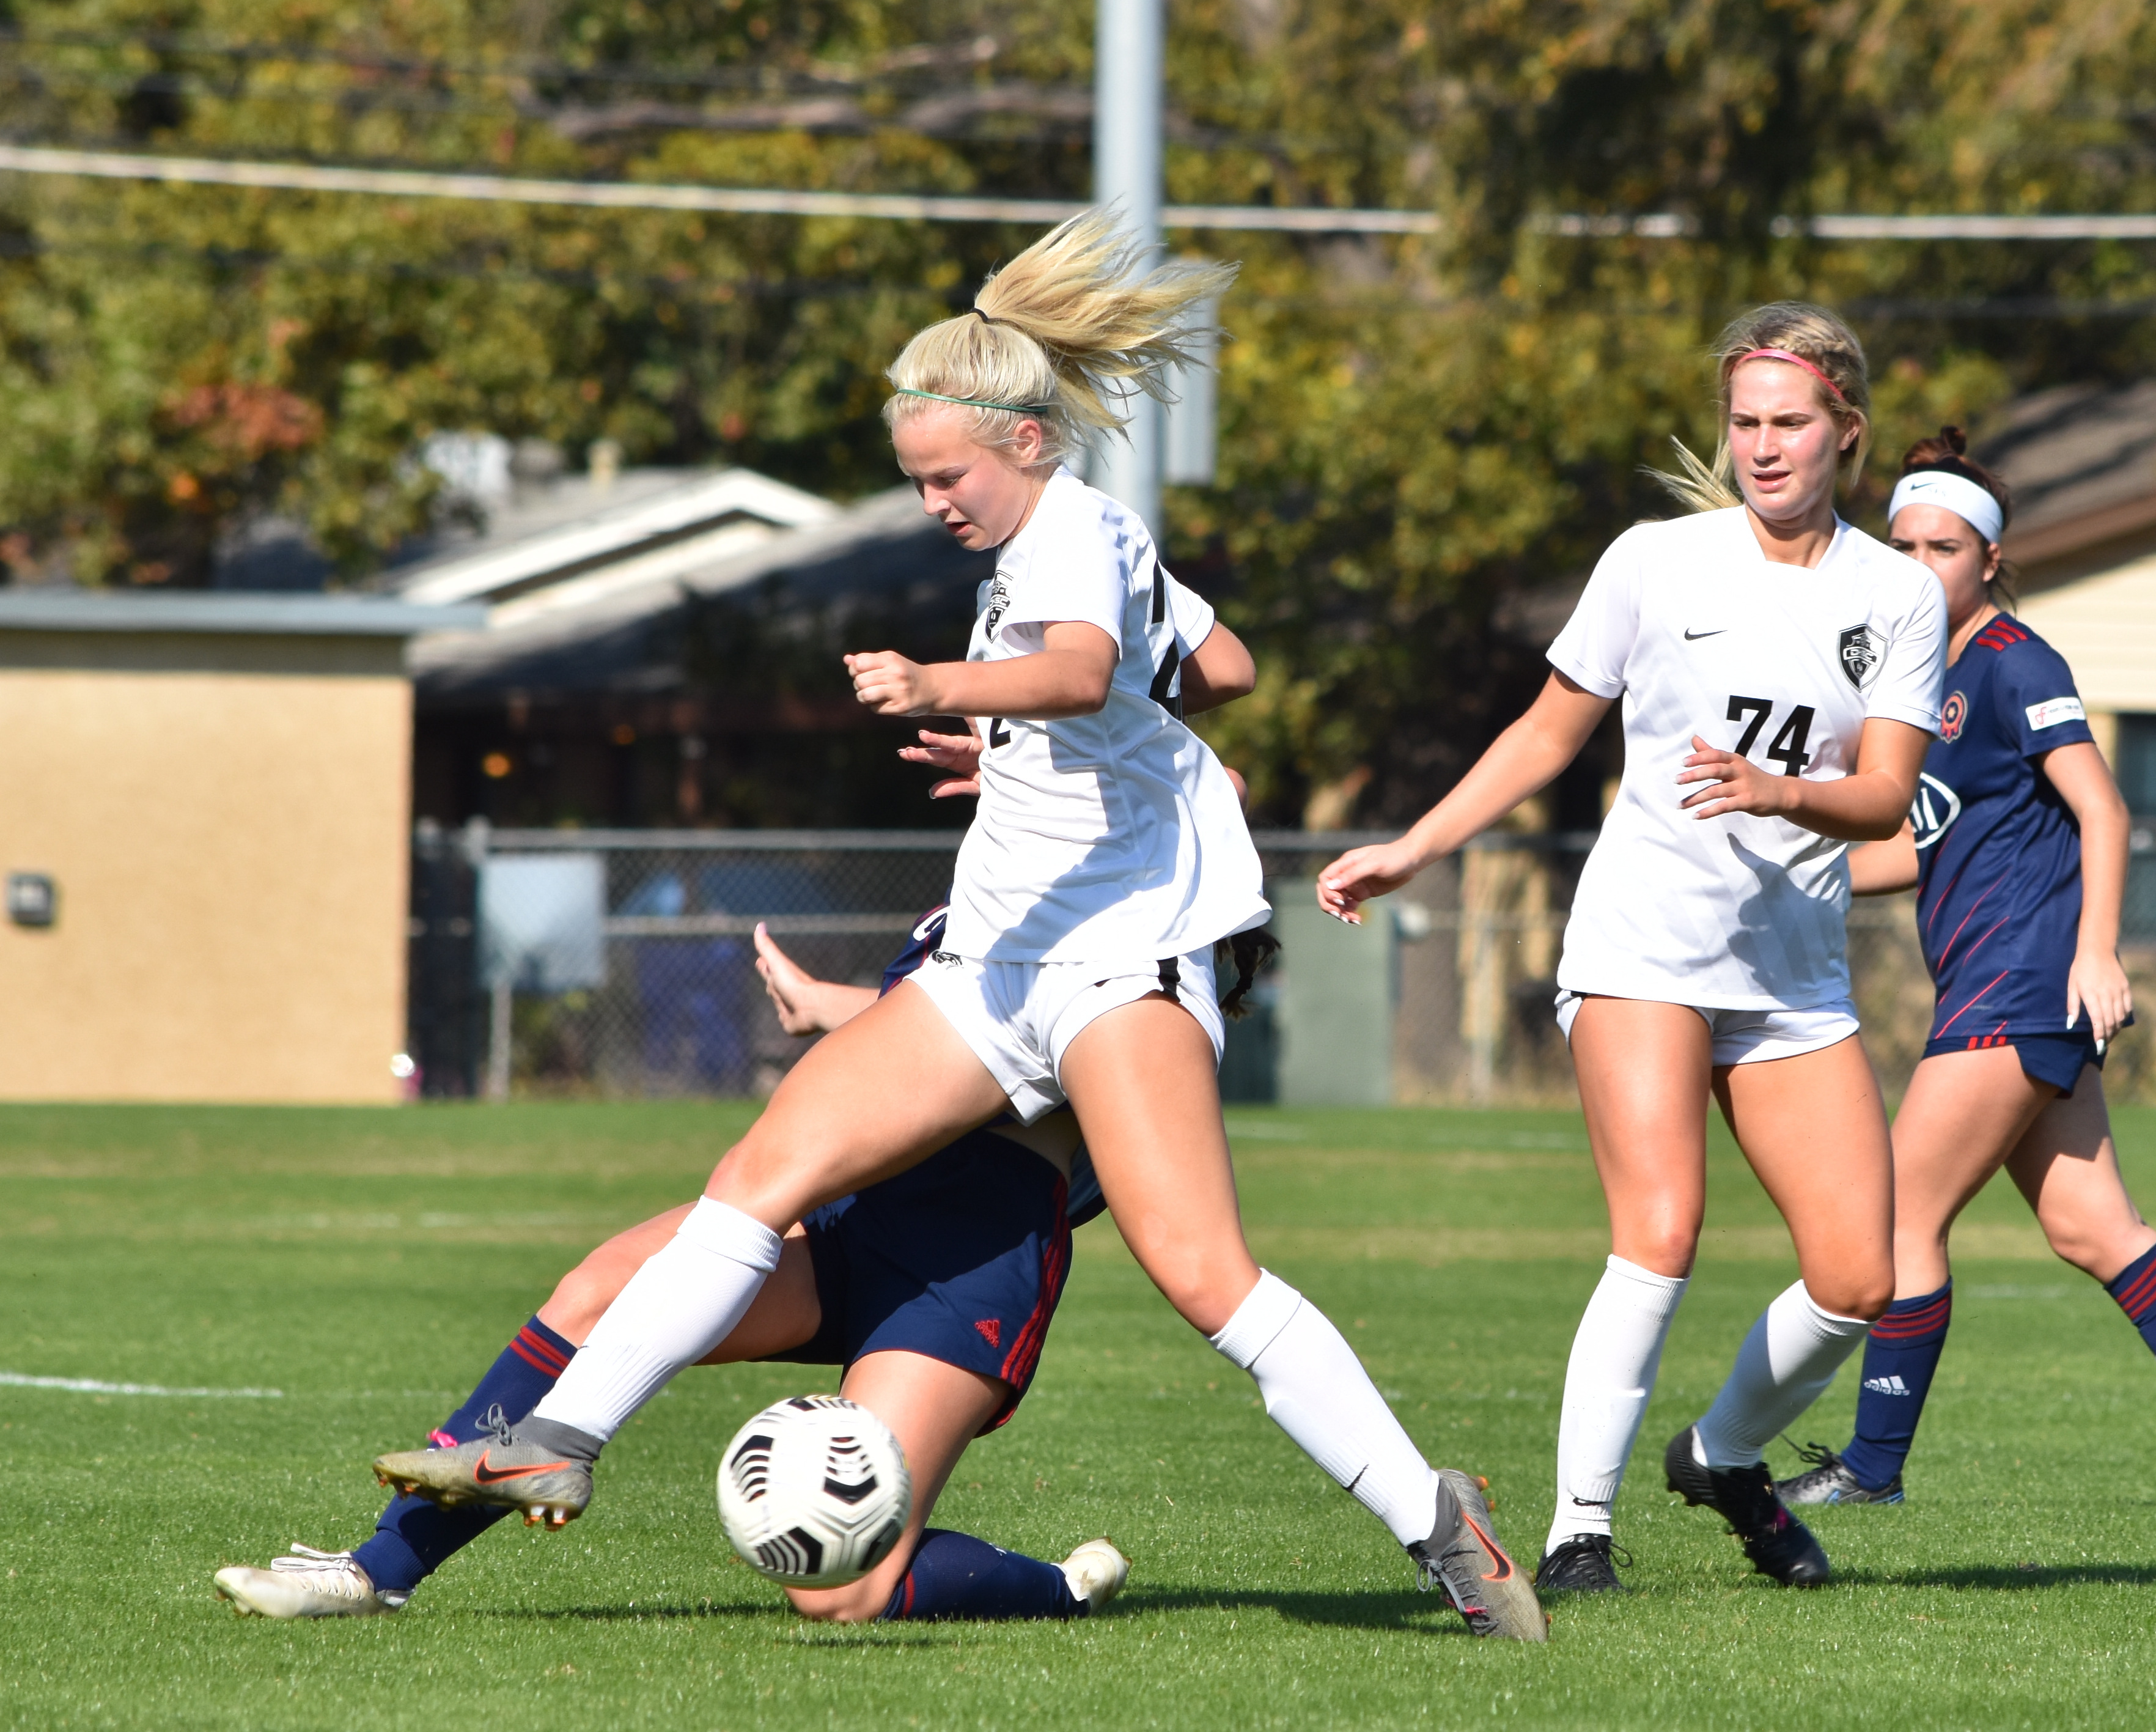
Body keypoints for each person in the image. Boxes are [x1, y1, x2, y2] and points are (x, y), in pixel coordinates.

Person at [365, 211, 1545, 1642]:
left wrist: (950, 692)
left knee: (1204, 1275)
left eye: (947, 475)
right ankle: (564, 1438)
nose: (931, 501)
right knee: (757, 1177)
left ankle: (1439, 1522)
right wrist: (1069, 749)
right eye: (915, 480)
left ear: (1030, 443)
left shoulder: (1080, 533)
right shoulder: (1072, 551)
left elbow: (1075, 668)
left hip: (1119, 967)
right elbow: (1216, 665)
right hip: (994, 965)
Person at [1320, 303, 1945, 1592]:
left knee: (1858, 1275)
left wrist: (1781, 795)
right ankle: (1578, 1531)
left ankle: (1719, 1455)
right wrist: (1413, 847)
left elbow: (1885, 797)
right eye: (1746, 422)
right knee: (1659, 1229)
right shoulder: (1655, 559)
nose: (1764, 447)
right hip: (1642, 944)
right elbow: (1547, 734)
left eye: (1791, 423)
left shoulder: (1895, 594)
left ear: (1848, 433)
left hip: (1791, 974)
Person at [217, 911, 1126, 1624]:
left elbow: (1035, 1054)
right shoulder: (1005, 859)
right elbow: (947, 1029)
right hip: (843, 1207)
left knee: (841, 1592)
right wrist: (828, 1003)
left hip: (966, 1264)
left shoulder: (1126, 907)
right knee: (596, 1293)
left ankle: (1058, 1589)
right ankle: (373, 1574)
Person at [1774, 430, 2156, 1514]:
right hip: (1996, 985)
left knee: (1892, 1224)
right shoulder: (1918, 684)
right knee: (2091, 1227)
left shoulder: (2015, 660)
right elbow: (1917, 843)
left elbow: (2102, 808)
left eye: (1942, 546)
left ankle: (1871, 1469)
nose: (1916, 564)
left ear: (1987, 560)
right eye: (1902, 544)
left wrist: (2095, 948)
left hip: (2018, 985)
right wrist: (1792, 865)